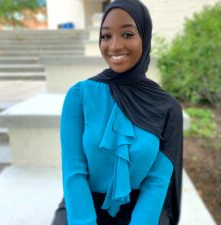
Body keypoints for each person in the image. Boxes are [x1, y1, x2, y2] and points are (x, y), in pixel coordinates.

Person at [51, 0, 183, 224]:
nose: (114, 46)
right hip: (84, 202)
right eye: (106, 36)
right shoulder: (80, 96)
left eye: (128, 34)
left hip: (143, 206)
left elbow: (157, 180)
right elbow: (74, 172)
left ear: (145, 37)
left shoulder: (167, 107)